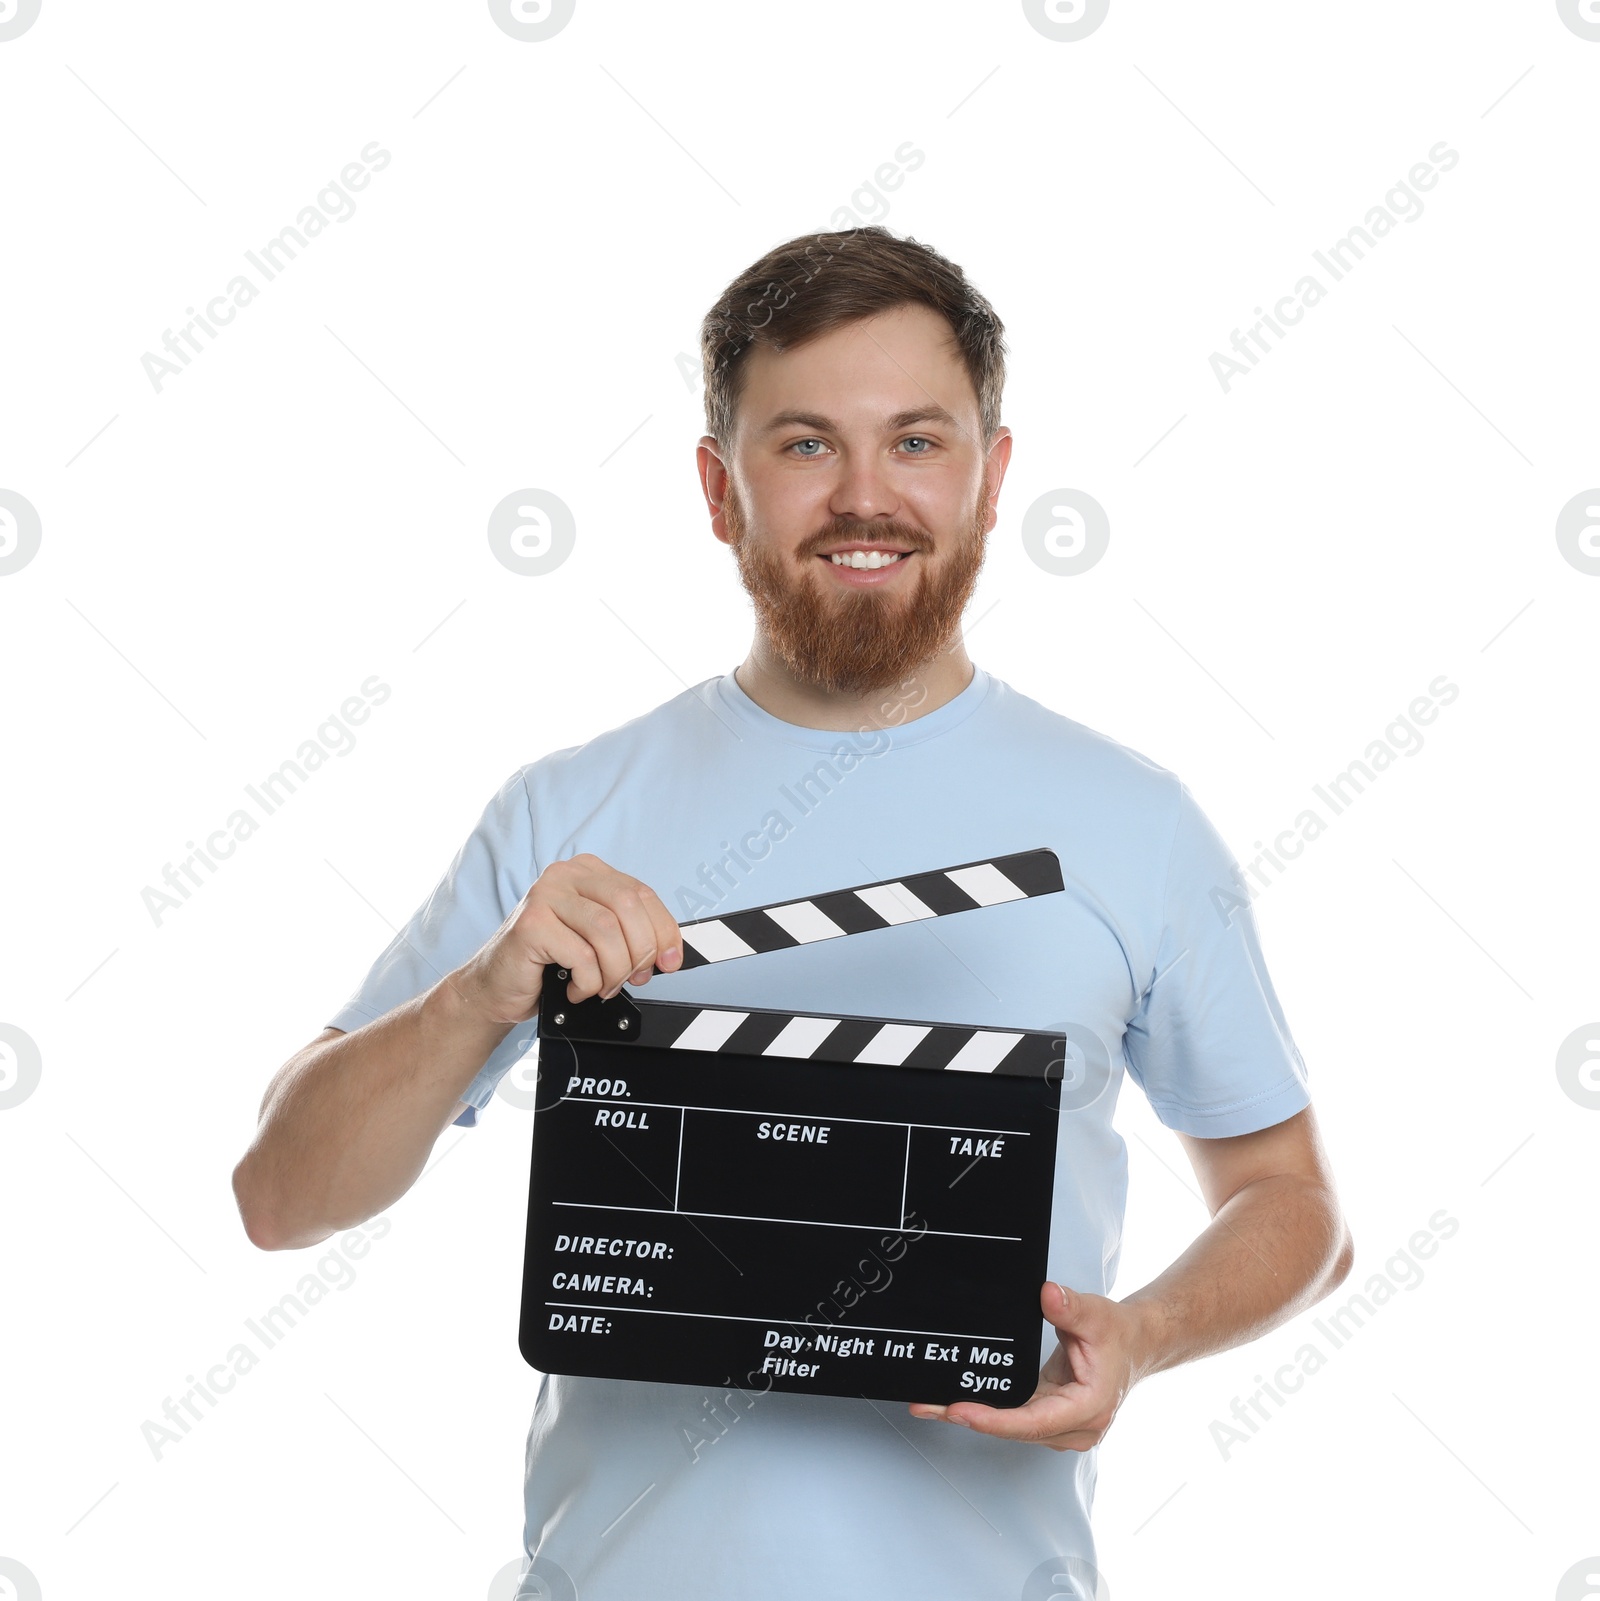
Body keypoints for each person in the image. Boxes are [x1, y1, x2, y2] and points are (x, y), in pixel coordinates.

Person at [232, 225, 1353, 1599]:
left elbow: (1293, 1200)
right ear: (719, 487)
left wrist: (1149, 1331)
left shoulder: (1136, 824)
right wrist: (478, 993)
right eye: (806, 444)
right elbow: (280, 1198)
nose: (865, 495)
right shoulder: (567, 813)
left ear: (995, 479)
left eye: (919, 443)